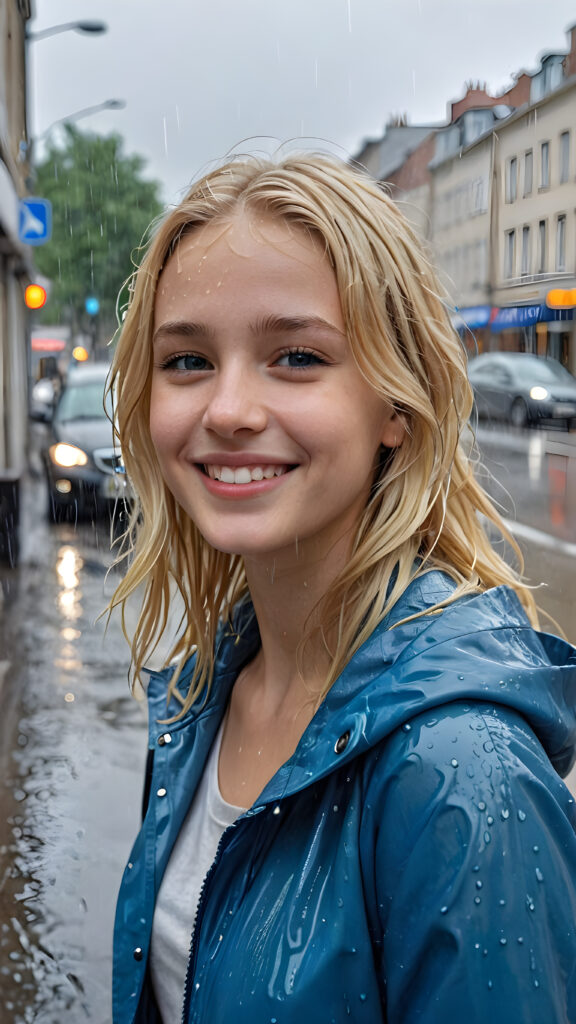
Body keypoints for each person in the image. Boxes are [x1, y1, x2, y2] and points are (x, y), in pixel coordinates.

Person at [108, 152, 576, 1024]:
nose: (228, 409)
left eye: (294, 356)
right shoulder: (196, 693)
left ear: (396, 403)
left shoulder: (462, 773)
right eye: (186, 361)